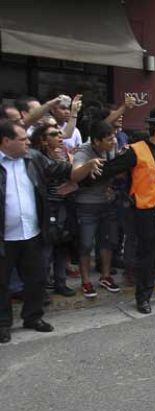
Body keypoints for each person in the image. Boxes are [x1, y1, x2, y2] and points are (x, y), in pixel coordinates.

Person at [83, 115, 155, 314]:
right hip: (146, 211)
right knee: (147, 255)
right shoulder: (136, 151)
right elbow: (112, 168)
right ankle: (143, 297)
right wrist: (82, 179)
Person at [0, 120, 104, 343]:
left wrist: (85, 166)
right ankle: (3, 324)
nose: (28, 142)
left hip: (33, 233)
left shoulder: (34, 159)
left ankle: (33, 317)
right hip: (5, 238)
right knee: (2, 284)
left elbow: (62, 169)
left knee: (36, 279)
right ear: (6, 141)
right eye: (22, 139)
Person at [72, 121, 122, 298]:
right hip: (86, 205)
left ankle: (105, 276)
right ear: (96, 141)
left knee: (107, 242)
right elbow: (74, 175)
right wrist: (89, 164)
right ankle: (86, 281)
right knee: (86, 244)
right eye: (109, 139)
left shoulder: (111, 149)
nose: (113, 141)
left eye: (114, 137)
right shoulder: (83, 151)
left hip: (107, 203)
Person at [29, 124, 77, 297]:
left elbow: (74, 176)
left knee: (63, 245)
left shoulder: (65, 154)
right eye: (53, 134)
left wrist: (73, 183)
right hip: (47, 208)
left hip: (65, 206)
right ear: (43, 139)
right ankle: (41, 289)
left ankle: (60, 282)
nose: (59, 137)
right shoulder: (37, 158)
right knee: (46, 251)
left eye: (59, 133)